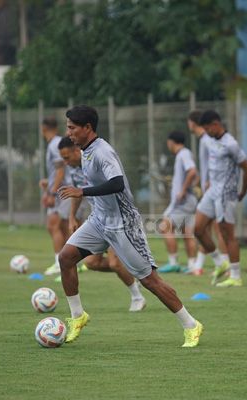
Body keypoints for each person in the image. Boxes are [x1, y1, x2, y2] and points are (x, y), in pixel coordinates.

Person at [57, 105, 203, 347]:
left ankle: (191, 324)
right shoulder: (85, 150)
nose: (69, 132)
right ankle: (77, 316)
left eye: (72, 128)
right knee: (66, 257)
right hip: (99, 220)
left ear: (87, 128)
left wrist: (81, 192)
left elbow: (116, 184)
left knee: (150, 280)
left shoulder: (103, 152)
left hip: (123, 224)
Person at [57, 136, 147, 312]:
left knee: (115, 263)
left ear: (77, 151)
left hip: (117, 218)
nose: (66, 162)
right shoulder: (75, 170)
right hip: (97, 219)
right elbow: (76, 193)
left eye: (67, 157)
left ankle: (137, 296)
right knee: (91, 263)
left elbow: (116, 184)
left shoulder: (95, 159)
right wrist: (72, 217)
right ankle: (132, 274)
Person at [193, 110, 247, 287]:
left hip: (226, 194)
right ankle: (220, 263)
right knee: (197, 229)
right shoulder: (210, 140)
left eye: (207, 128)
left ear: (216, 124)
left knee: (227, 235)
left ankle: (235, 276)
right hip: (212, 191)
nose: (206, 132)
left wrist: (243, 191)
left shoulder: (231, 144)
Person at [187, 110, 229, 273]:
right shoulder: (204, 140)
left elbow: (215, 163)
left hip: (215, 190)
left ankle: (225, 265)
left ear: (192, 123)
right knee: (203, 229)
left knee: (219, 229)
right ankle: (201, 265)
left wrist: (209, 183)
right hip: (209, 190)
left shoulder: (206, 140)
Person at [158, 130, 199, 274]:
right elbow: (195, 175)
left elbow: (192, 171)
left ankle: (173, 263)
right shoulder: (184, 154)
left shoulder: (183, 154)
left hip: (182, 202)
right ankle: (192, 266)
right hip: (189, 201)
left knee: (165, 227)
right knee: (187, 233)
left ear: (171, 142)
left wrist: (182, 189)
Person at [40, 117, 70, 276]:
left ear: (43, 128)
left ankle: (60, 263)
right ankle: (69, 261)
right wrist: (48, 184)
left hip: (61, 192)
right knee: (64, 227)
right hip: (61, 189)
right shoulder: (57, 142)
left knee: (53, 226)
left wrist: (51, 193)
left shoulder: (54, 145)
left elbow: (60, 171)